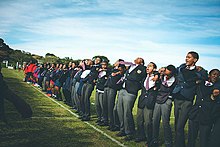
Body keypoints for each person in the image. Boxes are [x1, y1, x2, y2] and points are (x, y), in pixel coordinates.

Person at [172, 51, 208, 147]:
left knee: (180, 126)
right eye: (186, 57)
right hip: (177, 98)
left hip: (187, 100)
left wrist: (200, 71)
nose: (186, 59)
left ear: (195, 60)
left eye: (189, 57)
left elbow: (205, 76)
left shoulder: (199, 71)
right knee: (176, 125)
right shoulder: (181, 67)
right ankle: (179, 144)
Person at [116, 57, 147, 141]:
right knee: (120, 110)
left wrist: (129, 78)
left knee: (127, 112)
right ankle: (123, 129)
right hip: (123, 89)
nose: (136, 58)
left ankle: (129, 132)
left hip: (131, 91)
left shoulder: (142, 68)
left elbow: (138, 78)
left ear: (141, 62)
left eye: (139, 58)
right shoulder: (130, 67)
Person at [151, 65, 177, 147]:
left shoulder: (175, 80)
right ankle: (154, 140)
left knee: (165, 122)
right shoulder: (161, 77)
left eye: (168, 71)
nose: (166, 73)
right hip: (158, 100)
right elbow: (155, 72)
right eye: (166, 70)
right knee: (155, 121)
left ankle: (168, 142)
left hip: (167, 100)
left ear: (172, 73)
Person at [135, 62, 159, 146]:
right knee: (139, 120)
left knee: (148, 122)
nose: (147, 68)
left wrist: (156, 74)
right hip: (142, 101)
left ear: (154, 69)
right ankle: (141, 136)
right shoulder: (144, 76)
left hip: (150, 102)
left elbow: (162, 72)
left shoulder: (157, 78)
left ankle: (150, 140)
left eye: (150, 66)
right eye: (147, 66)